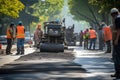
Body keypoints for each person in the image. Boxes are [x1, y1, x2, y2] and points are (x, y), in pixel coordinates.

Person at [110, 8, 120, 79]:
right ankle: (117, 73)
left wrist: (116, 40)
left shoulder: (118, 19)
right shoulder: (117, 19)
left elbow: (119, 30)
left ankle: (118, 73)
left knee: (117, 57)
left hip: (118, 41)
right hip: (117, 41)